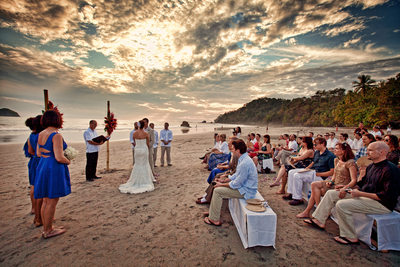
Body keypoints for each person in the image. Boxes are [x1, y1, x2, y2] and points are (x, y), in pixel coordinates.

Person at [304, 141, 400, 245]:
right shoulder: (372, 166)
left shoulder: (390, 170)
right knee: (331, 193)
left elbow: (386, 196)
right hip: (367, 197)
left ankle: (350, 236)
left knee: (342, 205)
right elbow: (362, 184)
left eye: (370, 150)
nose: (367, 152)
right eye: (367, 150)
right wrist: (345, 187)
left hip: (382, 204)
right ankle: (319, 220)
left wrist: (360, 194)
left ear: (382, 152)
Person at [203, 139, 258, 226]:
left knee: (218, 191)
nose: (231, 150)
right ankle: (214, 212)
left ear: (238, 150)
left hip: (246, 191)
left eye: (233, 149)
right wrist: (226, 179)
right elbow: (237, 175)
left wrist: (221, 184)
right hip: (243, 187)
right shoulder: (243, 158)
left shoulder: (244, 163)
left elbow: (236, 184)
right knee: (220, 188)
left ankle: (214, 219)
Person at [34, 110, 71, 239]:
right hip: (53, 168)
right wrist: (68, 161)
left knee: (45, 199)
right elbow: (59, 157)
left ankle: (46, 228)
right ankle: (48, 230)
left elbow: (38, 153)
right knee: (52, 200)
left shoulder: (41, 134)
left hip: (43, 164)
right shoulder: (56, 135)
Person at [296, 142, 357, 218]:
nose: (334, 150)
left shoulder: (350, 163)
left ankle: (311, 212)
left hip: (343, 185)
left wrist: (345, 188)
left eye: (337, 148)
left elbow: (354, 180)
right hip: (335, 183)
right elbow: (335, 173)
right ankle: (318, 210)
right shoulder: (336, 160)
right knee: (314, 184)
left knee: (317, 190)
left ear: (343, 151)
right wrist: (331, 181)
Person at [283, 137, 335, 205]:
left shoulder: (330, 156)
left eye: (315, 145)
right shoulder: (317, 152)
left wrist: (319, 174)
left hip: (320, 175)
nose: (314, 146)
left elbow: (332, 172)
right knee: (291, 172)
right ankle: (291, 193)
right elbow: (313, 163)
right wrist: (306, 169)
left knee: (297, 176)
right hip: (312, 171)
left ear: (322, 144)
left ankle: (297, 198)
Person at [119, 120, 155, 194]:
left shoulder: (134, 133)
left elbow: (135, 142)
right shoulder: (146, 133)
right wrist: (145, 148)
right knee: (145, 164)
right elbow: (147, 144)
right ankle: (145, 180)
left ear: (138, 125)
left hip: (137, 149)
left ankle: (136, 180)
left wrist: (138, 146)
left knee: (137, 164)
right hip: (144, 149)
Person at [26, 115, 44, 225]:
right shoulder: (41, 136)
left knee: (34, 185)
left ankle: (34, 209)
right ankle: (39, 216)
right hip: (41, 161)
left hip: (33, 161)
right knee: (41, 189)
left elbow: (30, 151)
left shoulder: (31, 136)